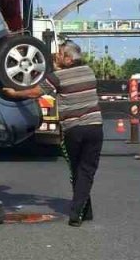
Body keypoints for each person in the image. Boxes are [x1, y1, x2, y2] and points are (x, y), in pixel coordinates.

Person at [6, 41, 103, 227]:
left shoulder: (57, 77)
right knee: (86, 171)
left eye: (60, 53)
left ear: (68, 59)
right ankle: (85, 210)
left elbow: (34, 93)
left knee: (76, 170)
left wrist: (13, 93)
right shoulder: (89, 72)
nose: (56, 56)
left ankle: (76, 213)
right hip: (95, 128)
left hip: (73, 130)